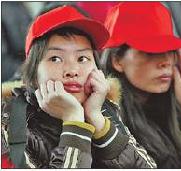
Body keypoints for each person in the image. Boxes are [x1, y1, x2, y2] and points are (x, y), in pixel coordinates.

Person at [1, 5, 155, 168]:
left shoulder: (103, 108)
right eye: (55, 59)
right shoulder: (8, 121)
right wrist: (73, 120)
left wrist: (96, 119)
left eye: (82, 58)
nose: (72, 71)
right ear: (32, 74)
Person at [101, 2, 181, 168]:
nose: (165, 61)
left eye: (171, 49)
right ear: (117, 60)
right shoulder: (105, 119)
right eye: (151, 52)